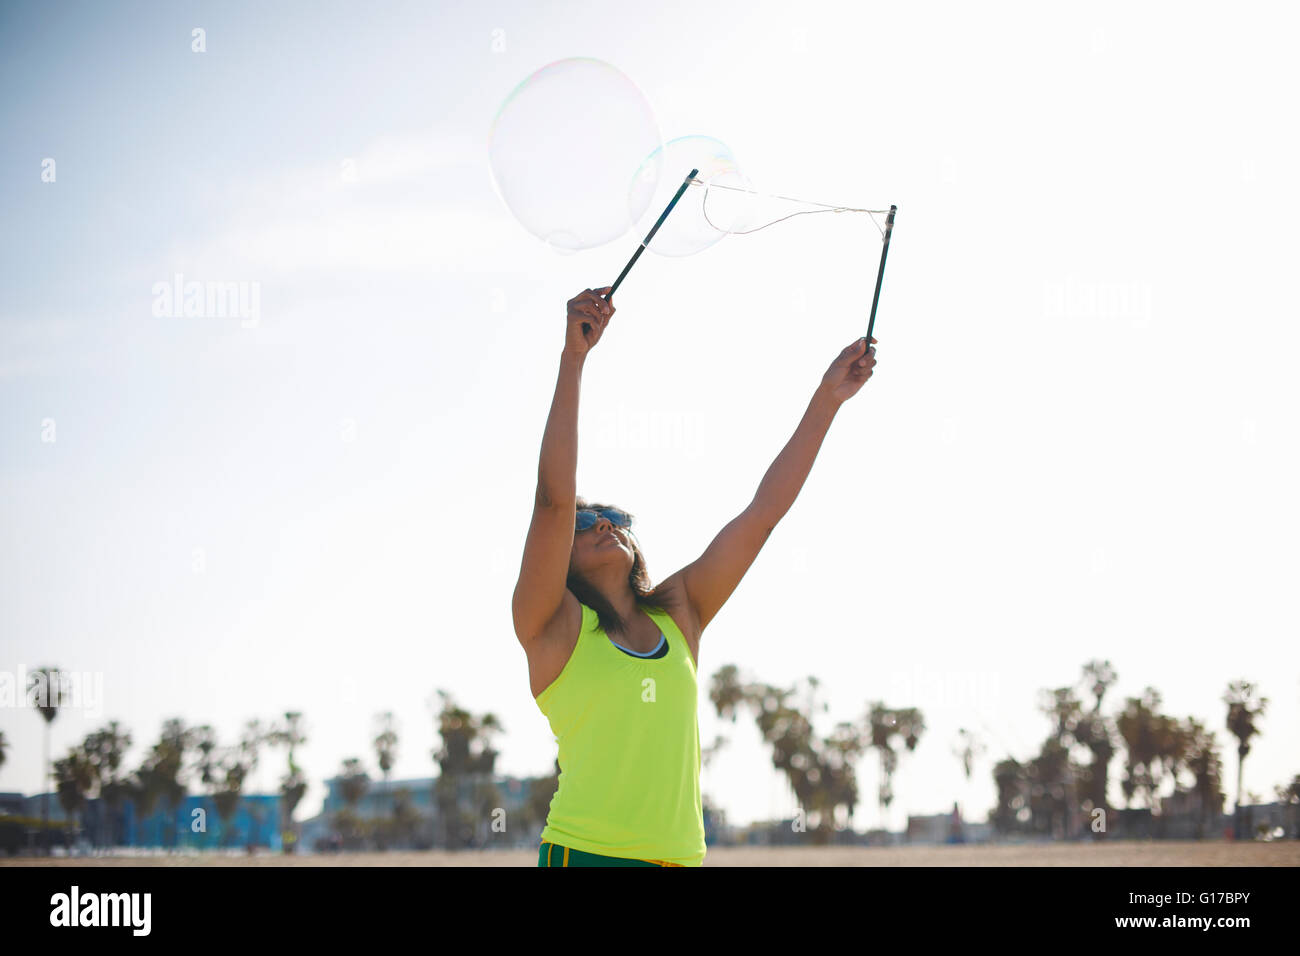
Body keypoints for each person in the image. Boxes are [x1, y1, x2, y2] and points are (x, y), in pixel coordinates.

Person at [513, 286, 878, 866]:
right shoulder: (551, 624)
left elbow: (762, 515)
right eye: (586, 523)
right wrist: (573, 359)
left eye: (615, 519)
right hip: (586, 855)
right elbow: (551, 501)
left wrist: (827, 401)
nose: (603, 525)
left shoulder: (679, 613)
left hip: (680, 858)